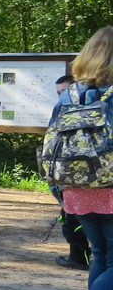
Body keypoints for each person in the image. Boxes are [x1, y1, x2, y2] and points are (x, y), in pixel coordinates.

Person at [56, 27, 113, 290]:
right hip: (110, 186)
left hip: (76, 188)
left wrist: (60, 190)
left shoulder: (70, 96)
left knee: (101, 256)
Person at [51, 74, 92, 270]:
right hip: (69, 177)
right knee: (71, 218)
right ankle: (79, 255)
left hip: (88, 178)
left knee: (75, 219)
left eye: (64, 92)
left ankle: (80, 257)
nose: (61, 97)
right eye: (58, 93)